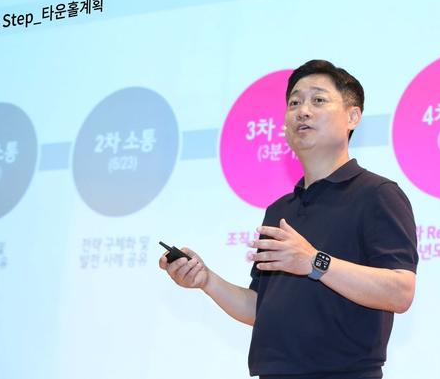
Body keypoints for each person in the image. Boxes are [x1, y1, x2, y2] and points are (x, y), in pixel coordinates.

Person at [159, 59, 418, 379]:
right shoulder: (280, 211)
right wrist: (206, 280)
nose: (303, 111)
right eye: (294, 103)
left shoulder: (377, 194)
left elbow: (400, 291)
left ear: (352, 117)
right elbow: (260, 308)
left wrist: (314, 262)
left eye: (318, 100)